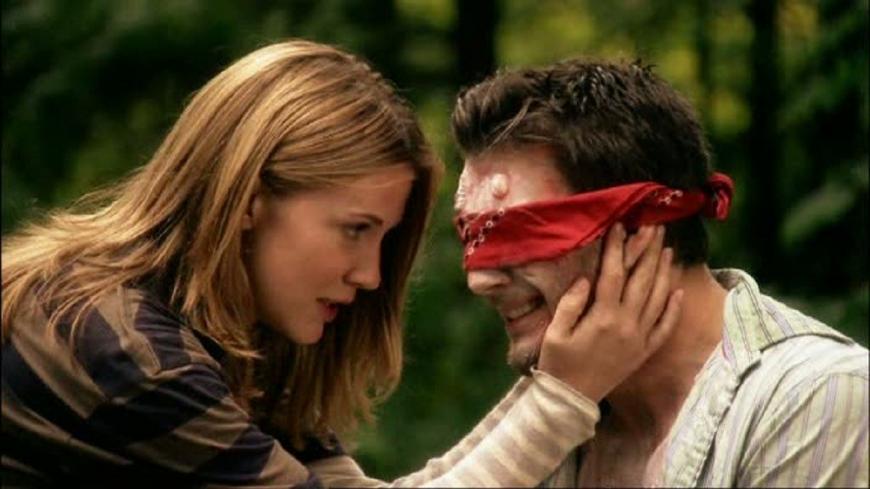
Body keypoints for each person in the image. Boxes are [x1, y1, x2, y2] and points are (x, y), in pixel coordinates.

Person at [1, 40, 679, 488]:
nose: (370, 276)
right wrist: (562, 395)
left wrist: (559, 386)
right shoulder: (125, 350)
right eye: (355, 230)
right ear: (249, 199)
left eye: (382, 239)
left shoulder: (220, 339)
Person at [449, 58, 869, 487]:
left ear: (640, 229)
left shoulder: (814, 398)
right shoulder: (545, 425)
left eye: (518, 234)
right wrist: (552, 406)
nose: (479, 281)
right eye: (469, 233)